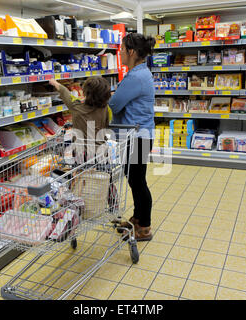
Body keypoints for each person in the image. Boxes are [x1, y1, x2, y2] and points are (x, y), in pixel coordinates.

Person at [109, 33, 156, 242]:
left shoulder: (135, 77)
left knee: (138, 182)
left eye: (121, 50)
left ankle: (144, 227)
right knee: (135, 180)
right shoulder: (140, 73)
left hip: (137, 136)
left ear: (131, 52)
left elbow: (114, 104)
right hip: (140, 135)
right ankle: (138, 218)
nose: (119, 53)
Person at [49, 76, 110, 141]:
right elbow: (106, 125)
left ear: (85, 92)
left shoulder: (76, 107)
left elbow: (65, 93)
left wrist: (54, 82)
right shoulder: (105, 108)